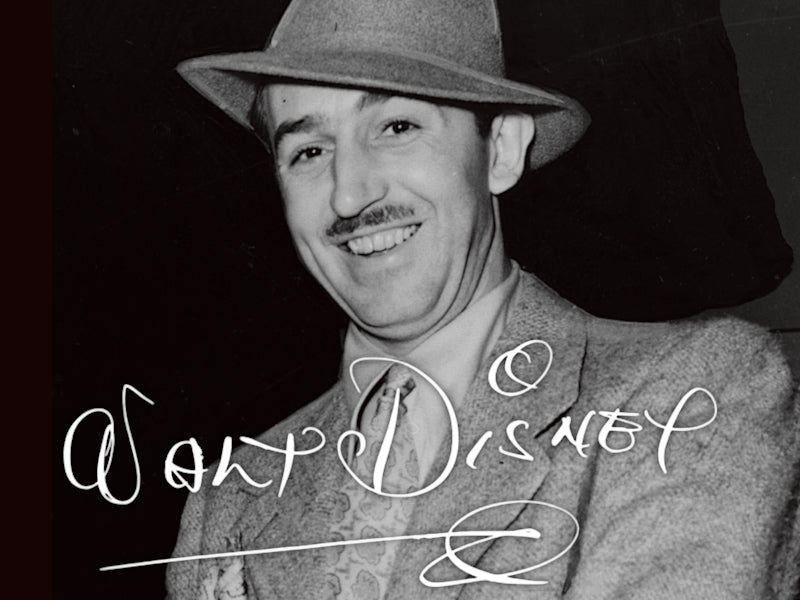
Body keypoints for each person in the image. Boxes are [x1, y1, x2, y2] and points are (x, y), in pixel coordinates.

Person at [167, 0, 799, 598]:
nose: (349, 195)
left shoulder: (688, 397)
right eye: (308, 151)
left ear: (500, 151)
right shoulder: (230, 498)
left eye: (396, 127)